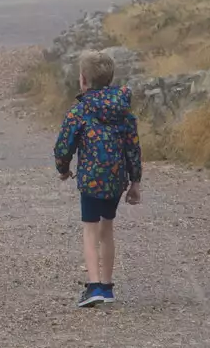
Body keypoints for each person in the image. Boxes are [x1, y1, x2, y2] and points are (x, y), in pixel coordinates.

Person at [54, 49, 143, 308]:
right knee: (107, 229)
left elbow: (64, 145)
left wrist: (63, 168)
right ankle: (107, 285)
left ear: (83, 80)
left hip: (91, 180)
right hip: (116, 181)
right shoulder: (124, 111)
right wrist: (135, 181)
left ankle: (93, 286)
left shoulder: (80, 110)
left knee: (90, 230)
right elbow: (133, 148)